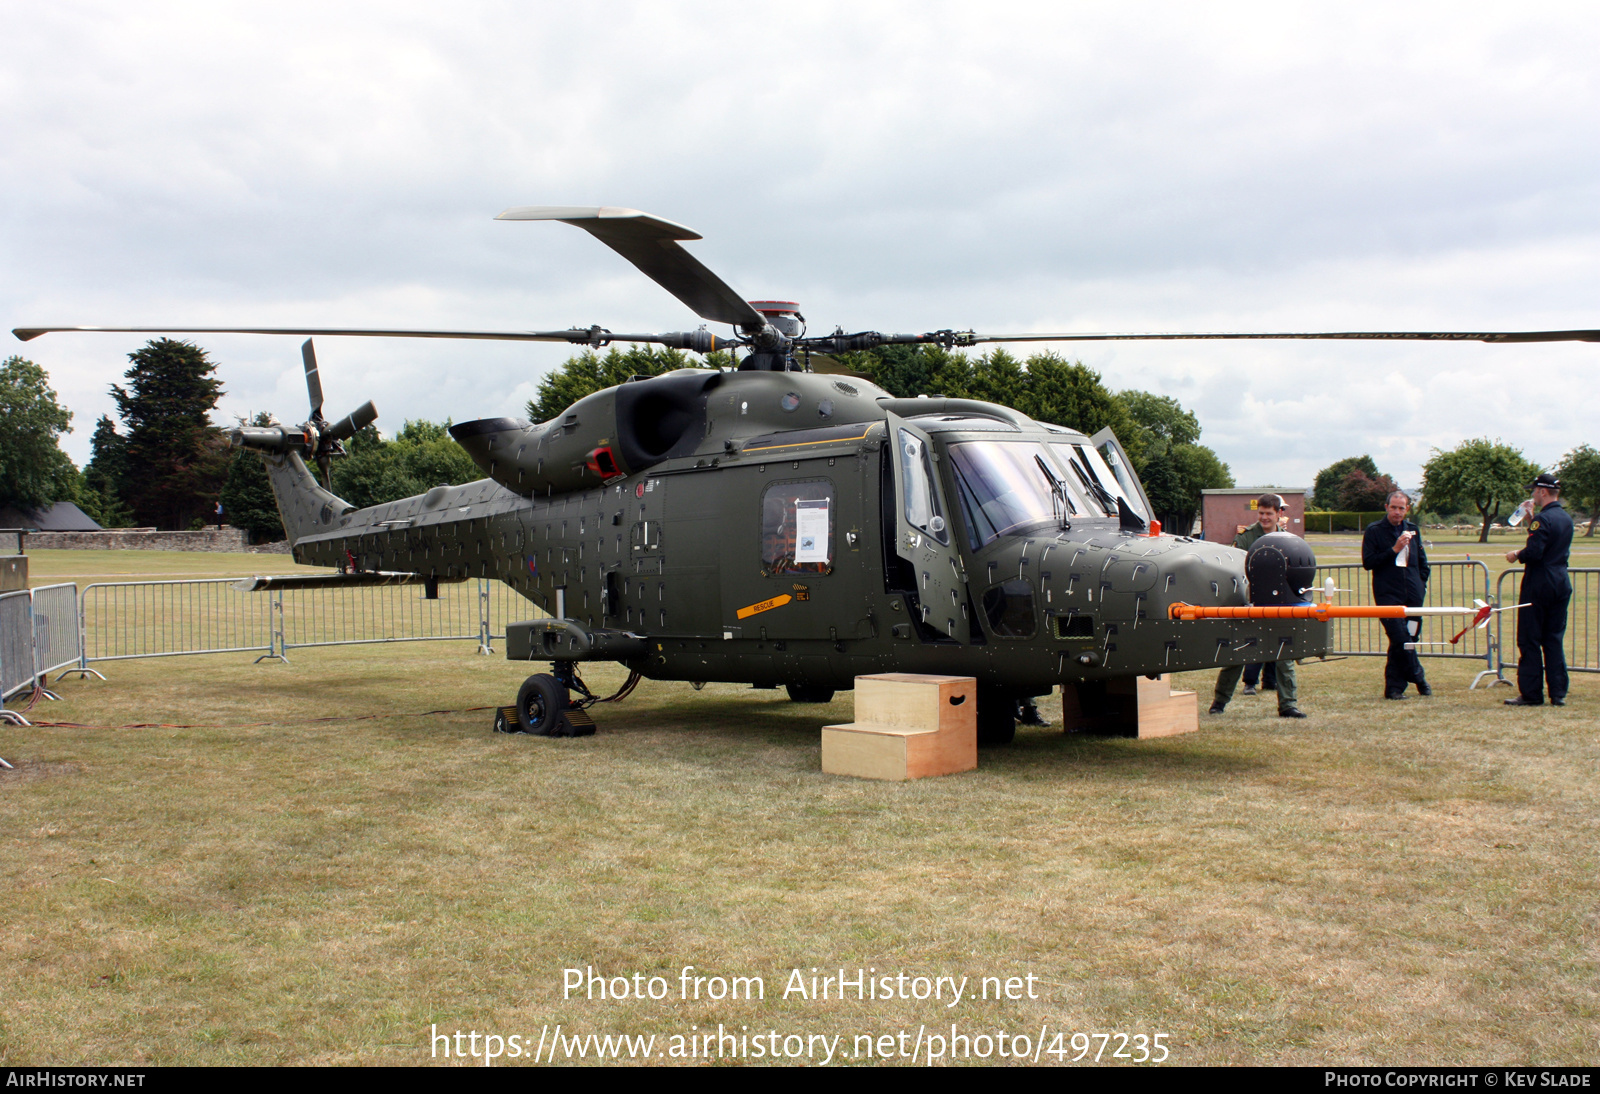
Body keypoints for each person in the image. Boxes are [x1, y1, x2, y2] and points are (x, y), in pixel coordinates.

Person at [1209, 494, 1305, 719]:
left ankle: (1288, 705)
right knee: (1236, 656)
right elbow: (1234, 566)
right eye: (1261, 513)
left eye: (1268, 513)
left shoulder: (1288, 539)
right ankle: (1219, 702)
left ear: (1278, 514)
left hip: (1278, 605)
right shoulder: (1245, 537)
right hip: (1249, 604)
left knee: (1285, 656)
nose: (1264, 517)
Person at [1504, 472, 1573, 707]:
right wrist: (1533, 521)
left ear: (1543, 492)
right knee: (1553, 639)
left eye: (1534, 490)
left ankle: (1532, 693)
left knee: (1529, 638)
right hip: (1561, 581)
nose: (1533, 494)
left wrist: (1516, 555)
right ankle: (1558, 692)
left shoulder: (1542, 520)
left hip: (1540, 583)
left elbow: (1535, 552)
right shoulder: (1565, 518)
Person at [1362, 490, 1431, 699]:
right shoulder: (1374, 531)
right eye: (1393, 507)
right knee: (1400, 638)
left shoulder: (1413, 529)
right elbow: (1369, 562)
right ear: (1386, 507)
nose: (1397, 512)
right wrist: (1394, 549)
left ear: (1407, 509)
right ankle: (1419, 677)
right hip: (1388, 597)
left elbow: (1422, 562)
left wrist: (1420, 584)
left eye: (1401, 508)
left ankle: (1394, 689)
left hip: (1413, 596)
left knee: (1408, 639)